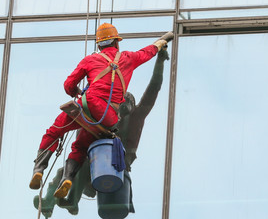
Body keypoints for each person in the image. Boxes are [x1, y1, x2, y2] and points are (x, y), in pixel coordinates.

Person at [29, 22, 169, 199]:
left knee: (54, 131)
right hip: (109, 119)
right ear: (117, 43)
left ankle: (39, 170)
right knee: (80, 146)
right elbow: (146, 53)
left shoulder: (90, 60)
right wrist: (159, 44)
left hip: (88, 106)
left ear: (99, 45)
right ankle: (68, 178)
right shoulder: (128, 58)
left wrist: (77, 93)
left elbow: (68, 85)